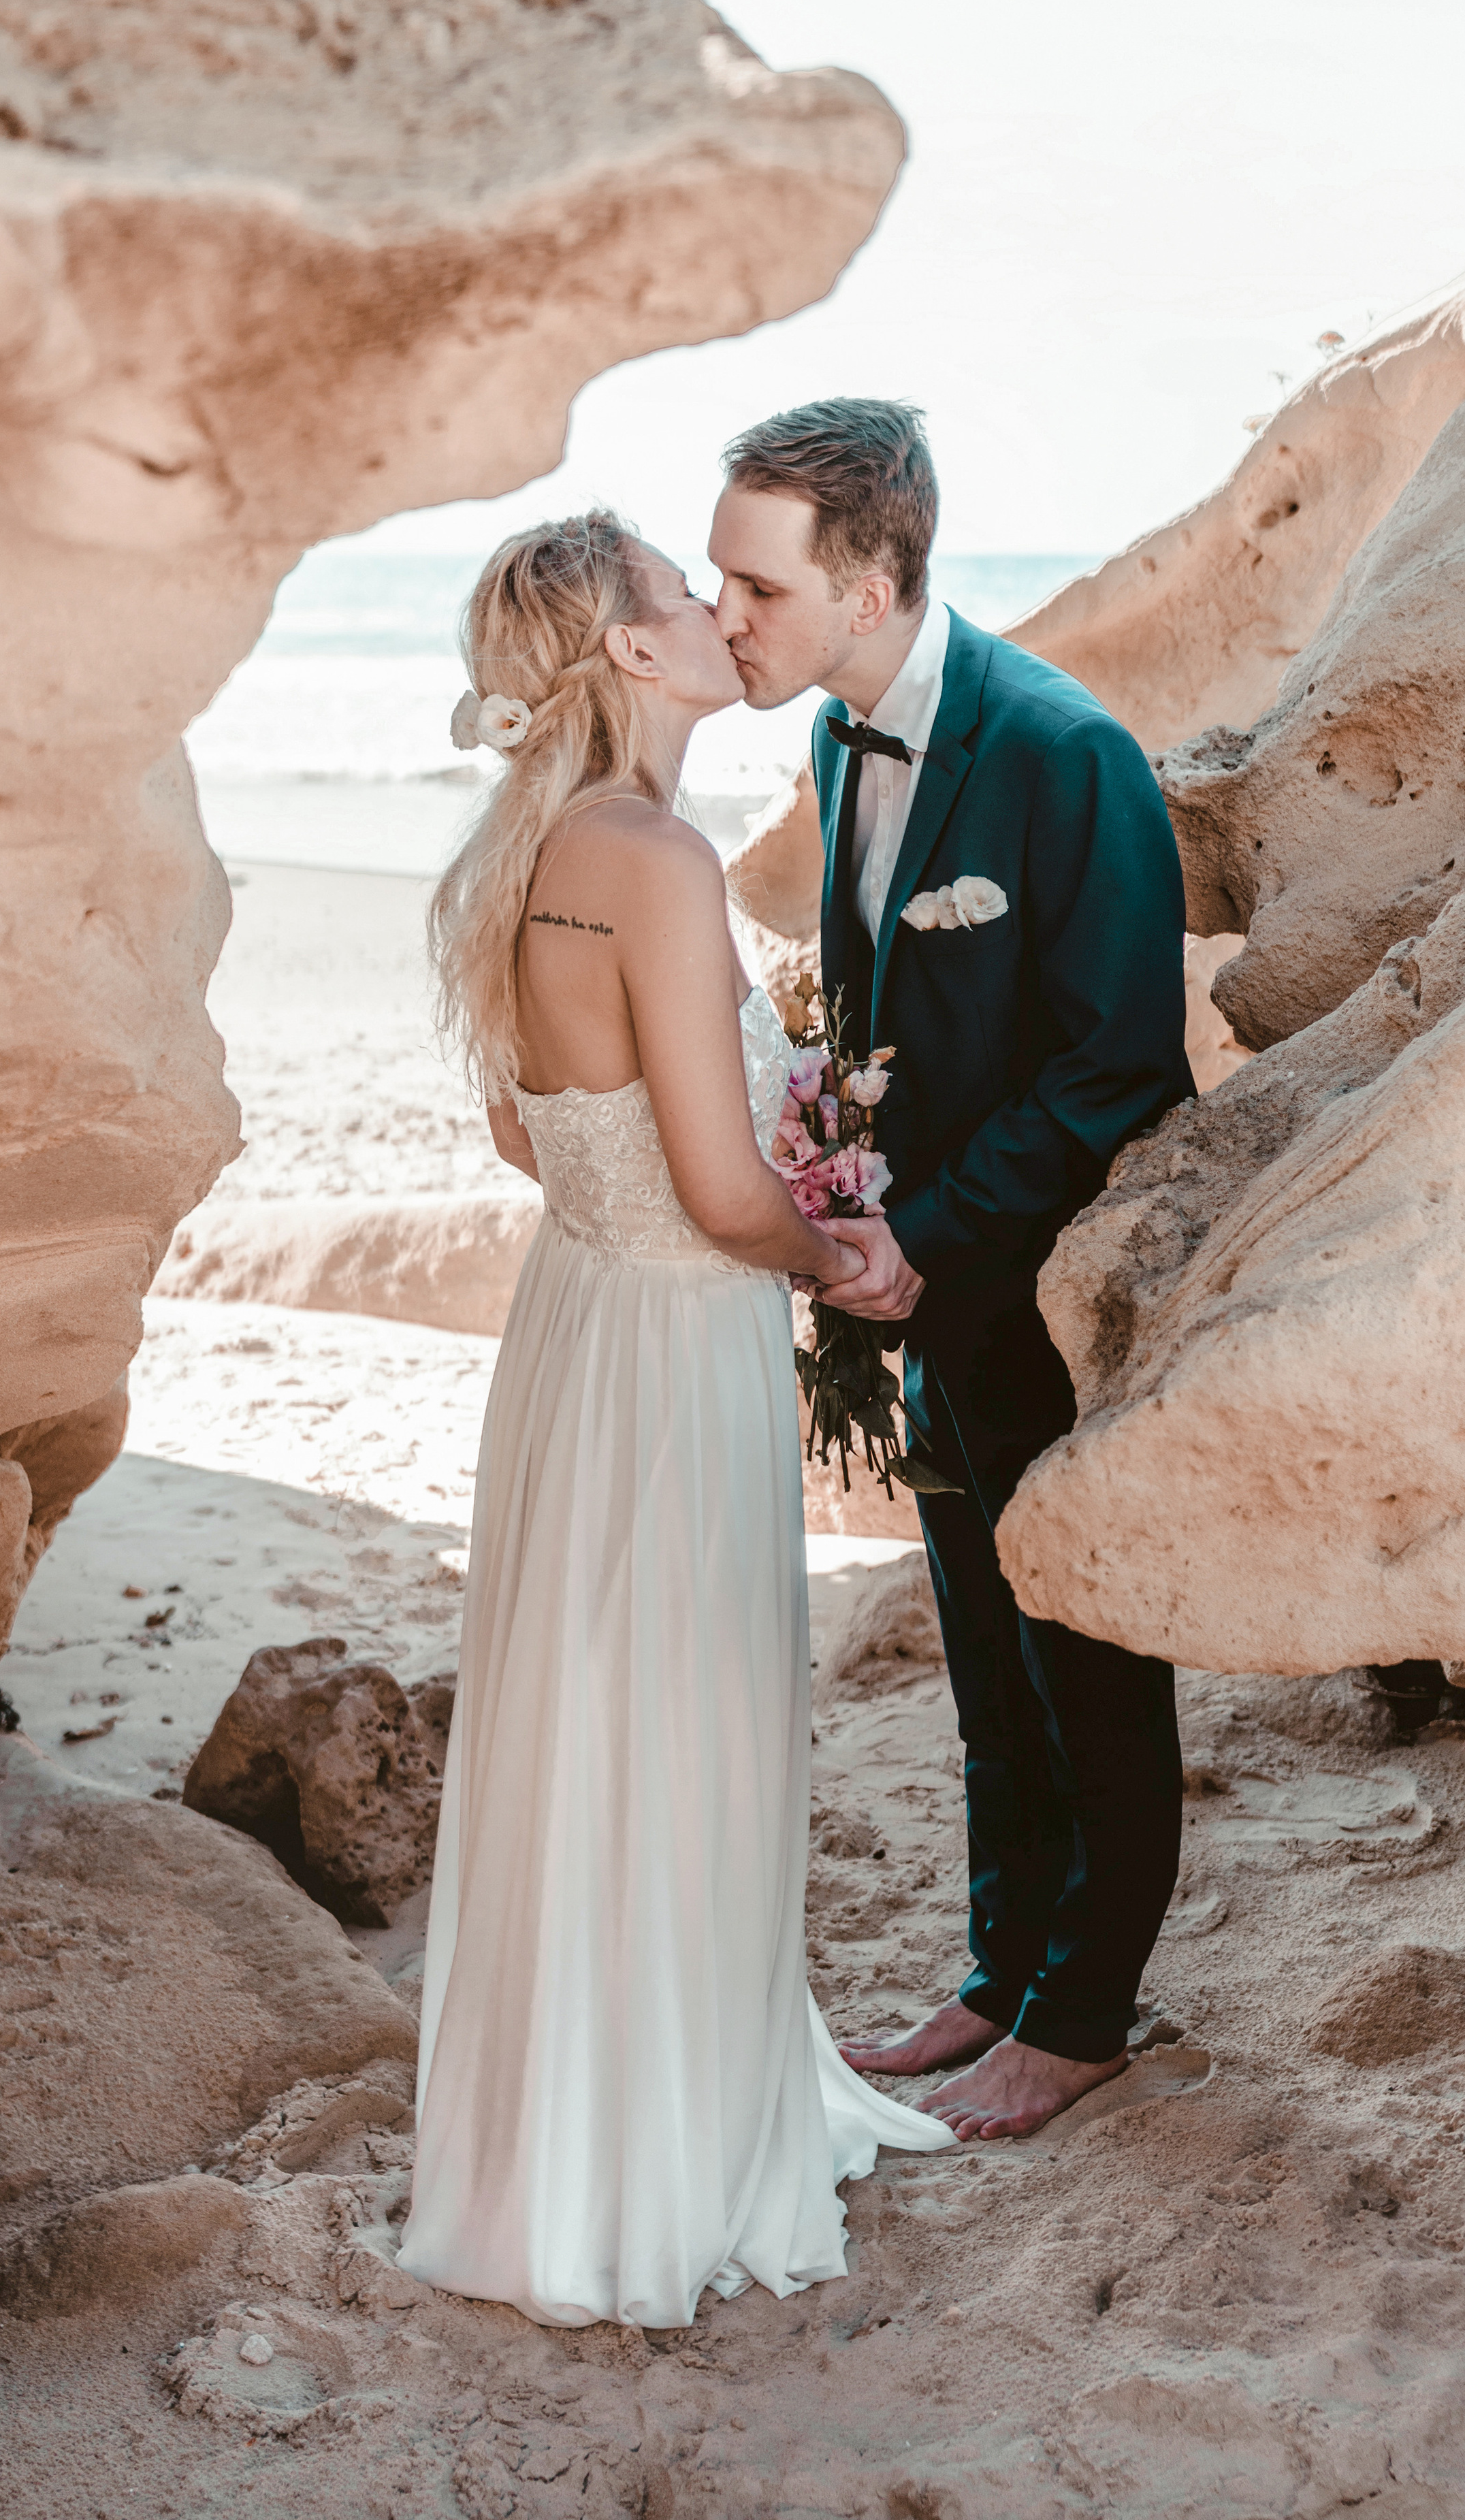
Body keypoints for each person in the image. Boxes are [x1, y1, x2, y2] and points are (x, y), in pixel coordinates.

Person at [401, 511, 952, 2331]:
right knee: (687, 1727)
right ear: (635, 655)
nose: (722, 611)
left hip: (579, 1331)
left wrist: (676, 1203)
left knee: (592, 1728)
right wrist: (847, 1266)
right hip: (680, 1332)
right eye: (684, 590)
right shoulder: (649, 853)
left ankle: (556, 2153)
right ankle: (655, 2163)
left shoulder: (533, 850)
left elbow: (528, 1132)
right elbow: (723, 1191)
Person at [709, 402, 1196, 2142]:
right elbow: (879, 1018)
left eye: (753, 585)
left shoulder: (1065, 754)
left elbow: (1121, 1061)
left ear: (869, 576)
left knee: (1080, 1640)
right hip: (918, 1285)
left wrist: (924, 1238)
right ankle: (1001, 1971)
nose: (724, 616)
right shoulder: (845, 745)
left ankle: (1084, 2013)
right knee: (981, 1645)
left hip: (1037, 1284)